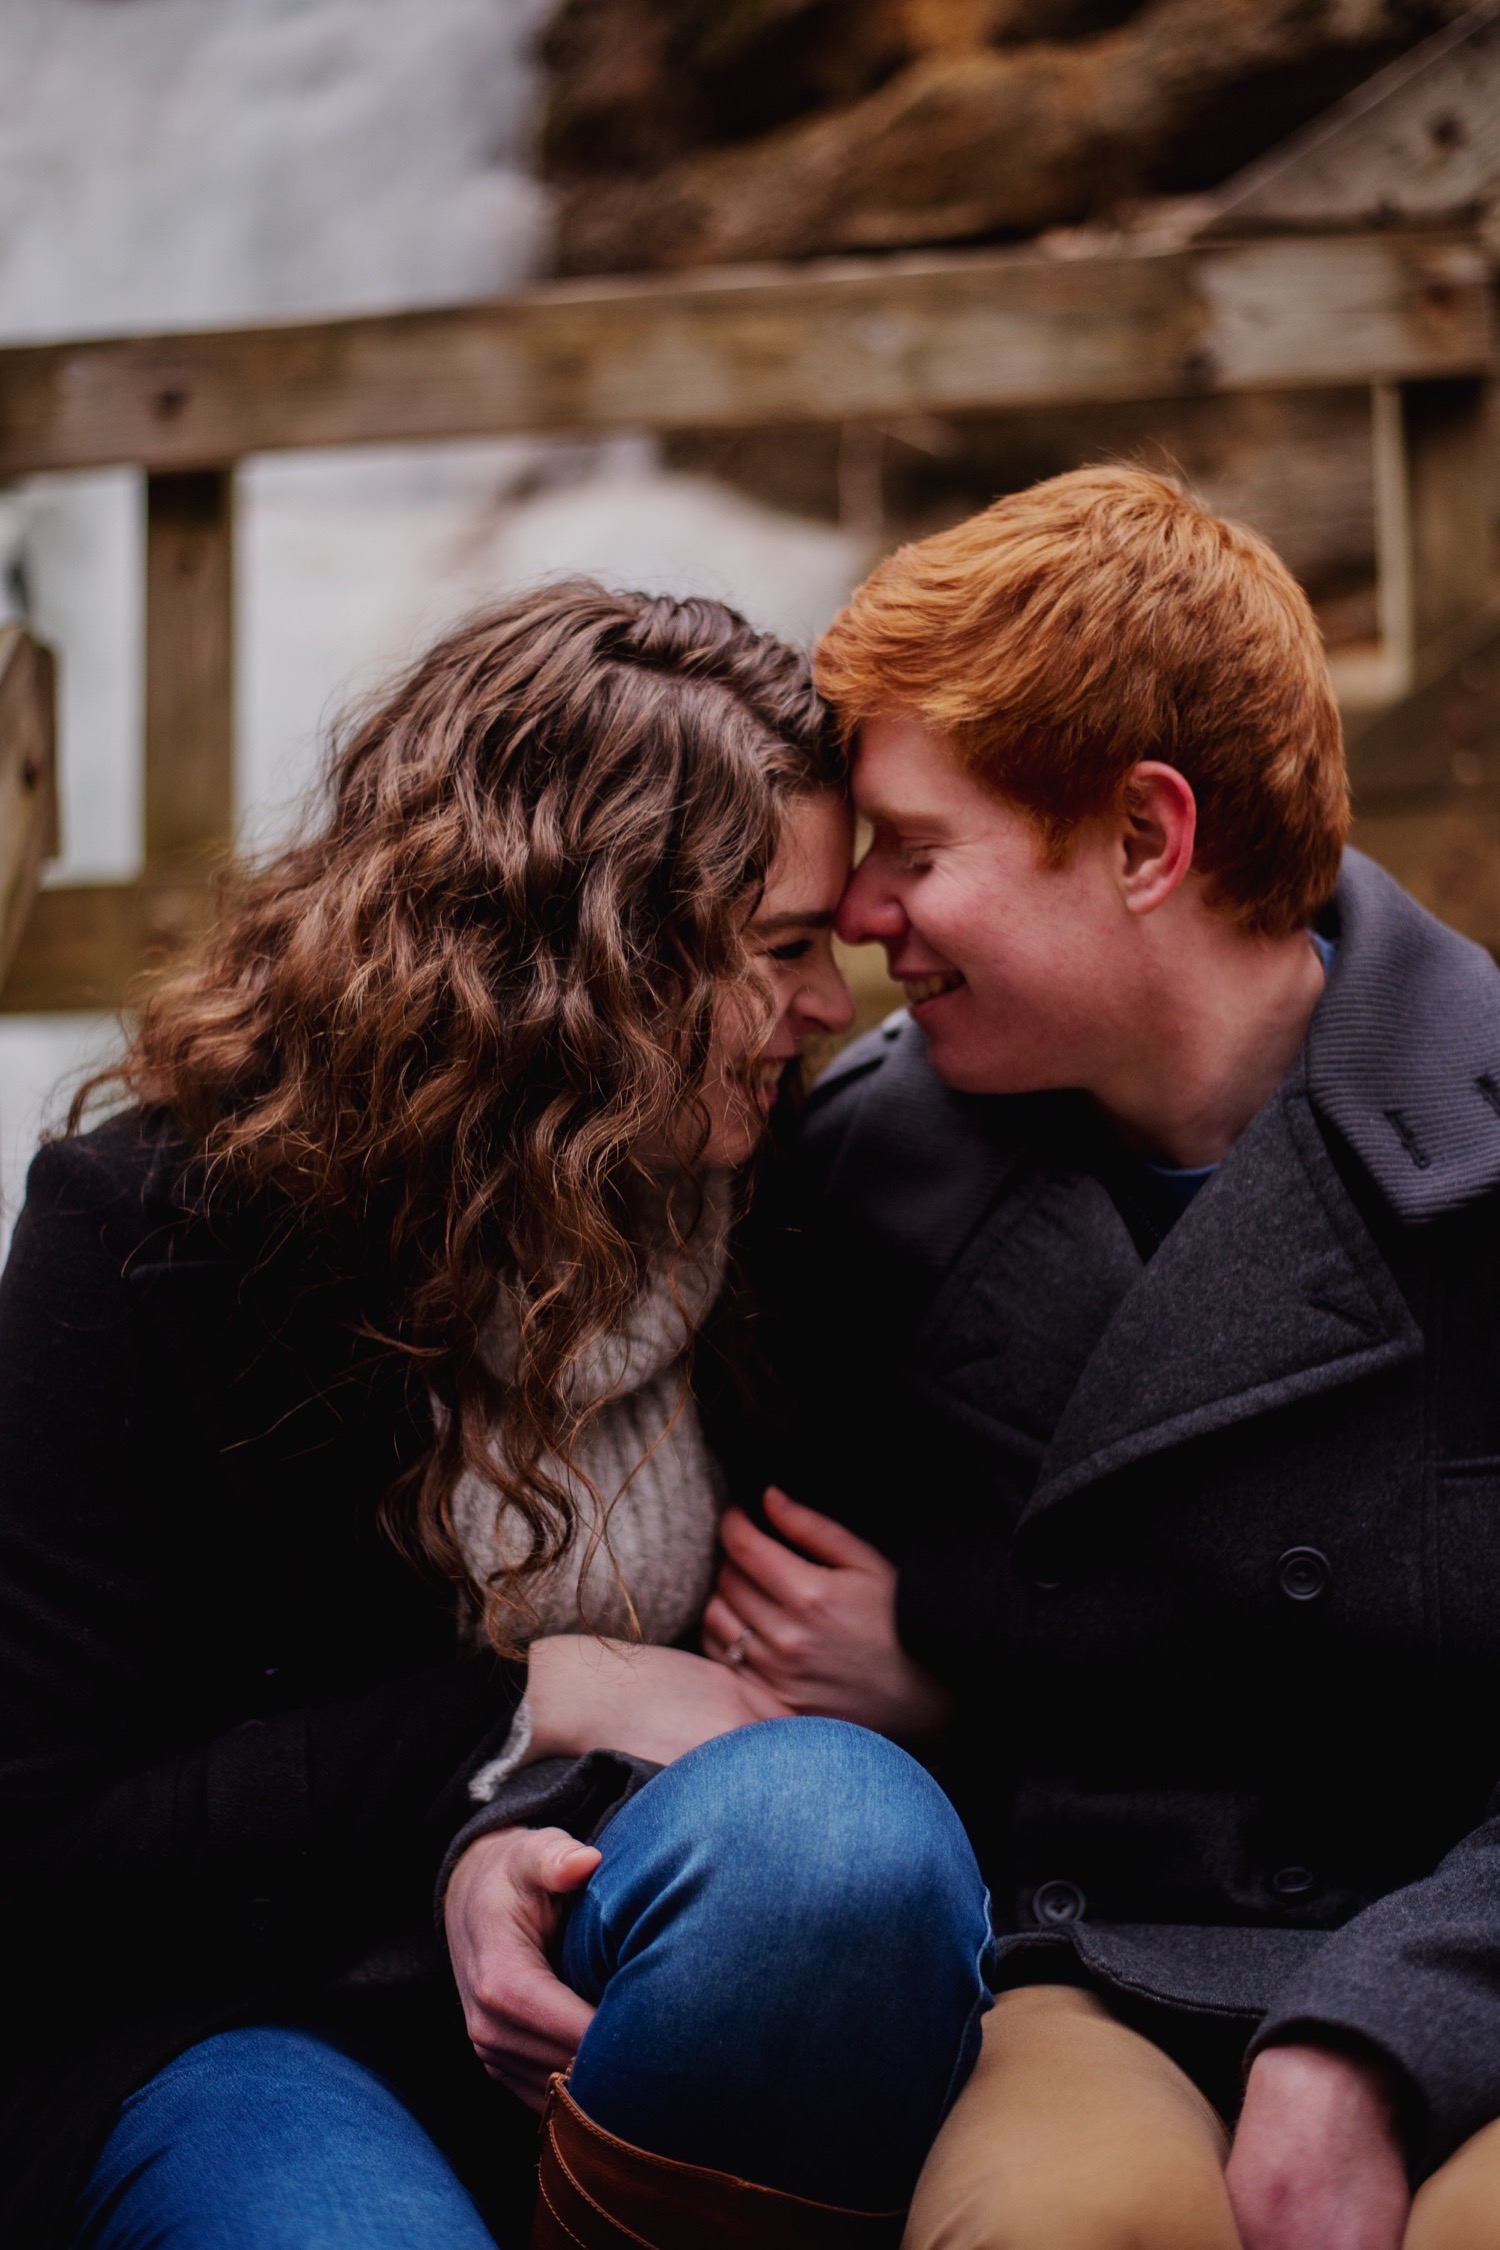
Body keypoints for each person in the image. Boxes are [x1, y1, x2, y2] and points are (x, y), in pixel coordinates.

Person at [0, 582, 995, 2250]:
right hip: (253, 2015)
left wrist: (928, 1674)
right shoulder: (158, 1234)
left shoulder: (795, 1214)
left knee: (840, 1831)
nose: (833, 1002)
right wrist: (539, 1697)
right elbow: (43, 1848)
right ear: (585, 956)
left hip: (648, 1964)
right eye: (779, 950)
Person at [686, 463, 1500, 2250]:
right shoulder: (854, 1184)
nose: (860, 921)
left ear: (1145, 840)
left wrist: (1385, 2035)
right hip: (1084, 1960)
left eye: (914, 849)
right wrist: (931, 1698)